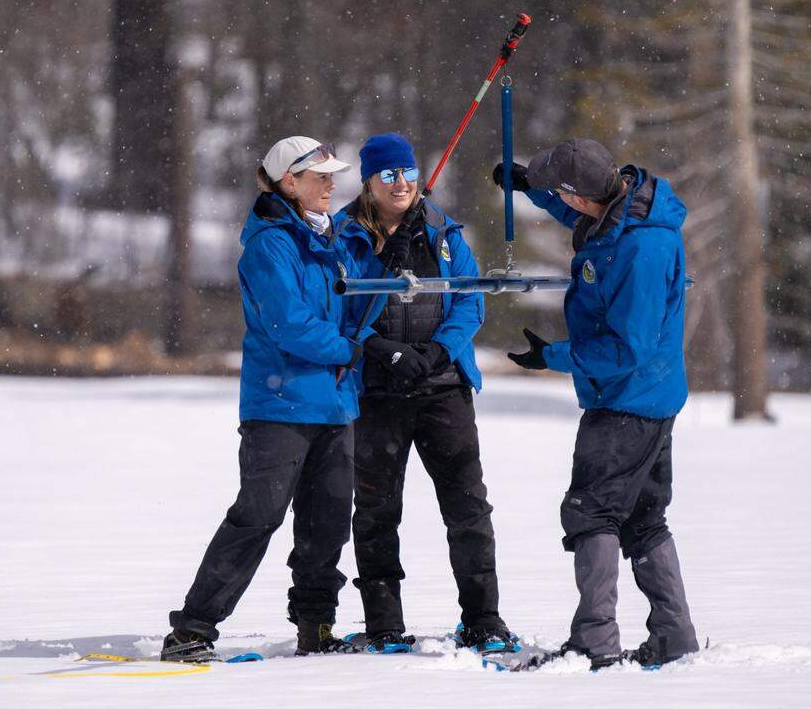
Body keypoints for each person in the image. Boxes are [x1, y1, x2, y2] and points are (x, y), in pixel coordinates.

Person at [495, 138, 699, 669]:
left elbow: (627, 348)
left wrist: (554, 357)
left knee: (591, 512)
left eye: (558, 192)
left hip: (628, 400)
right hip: (646, 395)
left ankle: (594, 641)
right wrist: (529, 190)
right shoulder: (623, 211)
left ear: (581, 191)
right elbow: (581, 214)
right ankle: (674, 638)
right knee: (644, 518)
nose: (560, 201)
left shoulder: (640, 249)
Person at [163, 136, 363, 661]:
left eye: (332, 176)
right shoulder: (271, 244)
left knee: (327, 524)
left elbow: (356, 299)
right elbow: (289, 324)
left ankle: (316, 629)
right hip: (280, 407)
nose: (331, 185)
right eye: (319, 177)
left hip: (335, 405)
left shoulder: (334, 238)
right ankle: (192, 630)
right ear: (288, 182)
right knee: (258, 516)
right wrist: (351, 348)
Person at [333, 133, 515, 654]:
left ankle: (483, 618)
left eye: (408, 173)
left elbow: (471, 301)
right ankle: (384, 623)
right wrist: (383, 349)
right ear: (368, 181)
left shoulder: (442, 231)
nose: (402, 184)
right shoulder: (345, 236)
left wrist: (438, 352)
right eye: (389, 175)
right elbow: (338, 312)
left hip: (443, 390)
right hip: (378, 393)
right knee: (376, 510)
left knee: (468, 508)